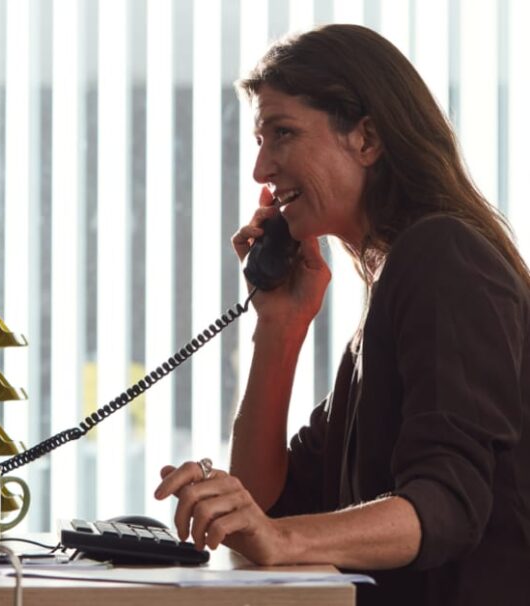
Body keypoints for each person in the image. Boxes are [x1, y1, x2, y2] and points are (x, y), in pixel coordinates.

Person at [154, 23, 530, 606]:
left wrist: (278, 537)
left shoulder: (444, 256)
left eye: (282, 133)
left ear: (367, 138)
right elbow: (269, 504)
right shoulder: (389, 294)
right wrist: (279, 326)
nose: (260, 170)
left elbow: (449, 505)